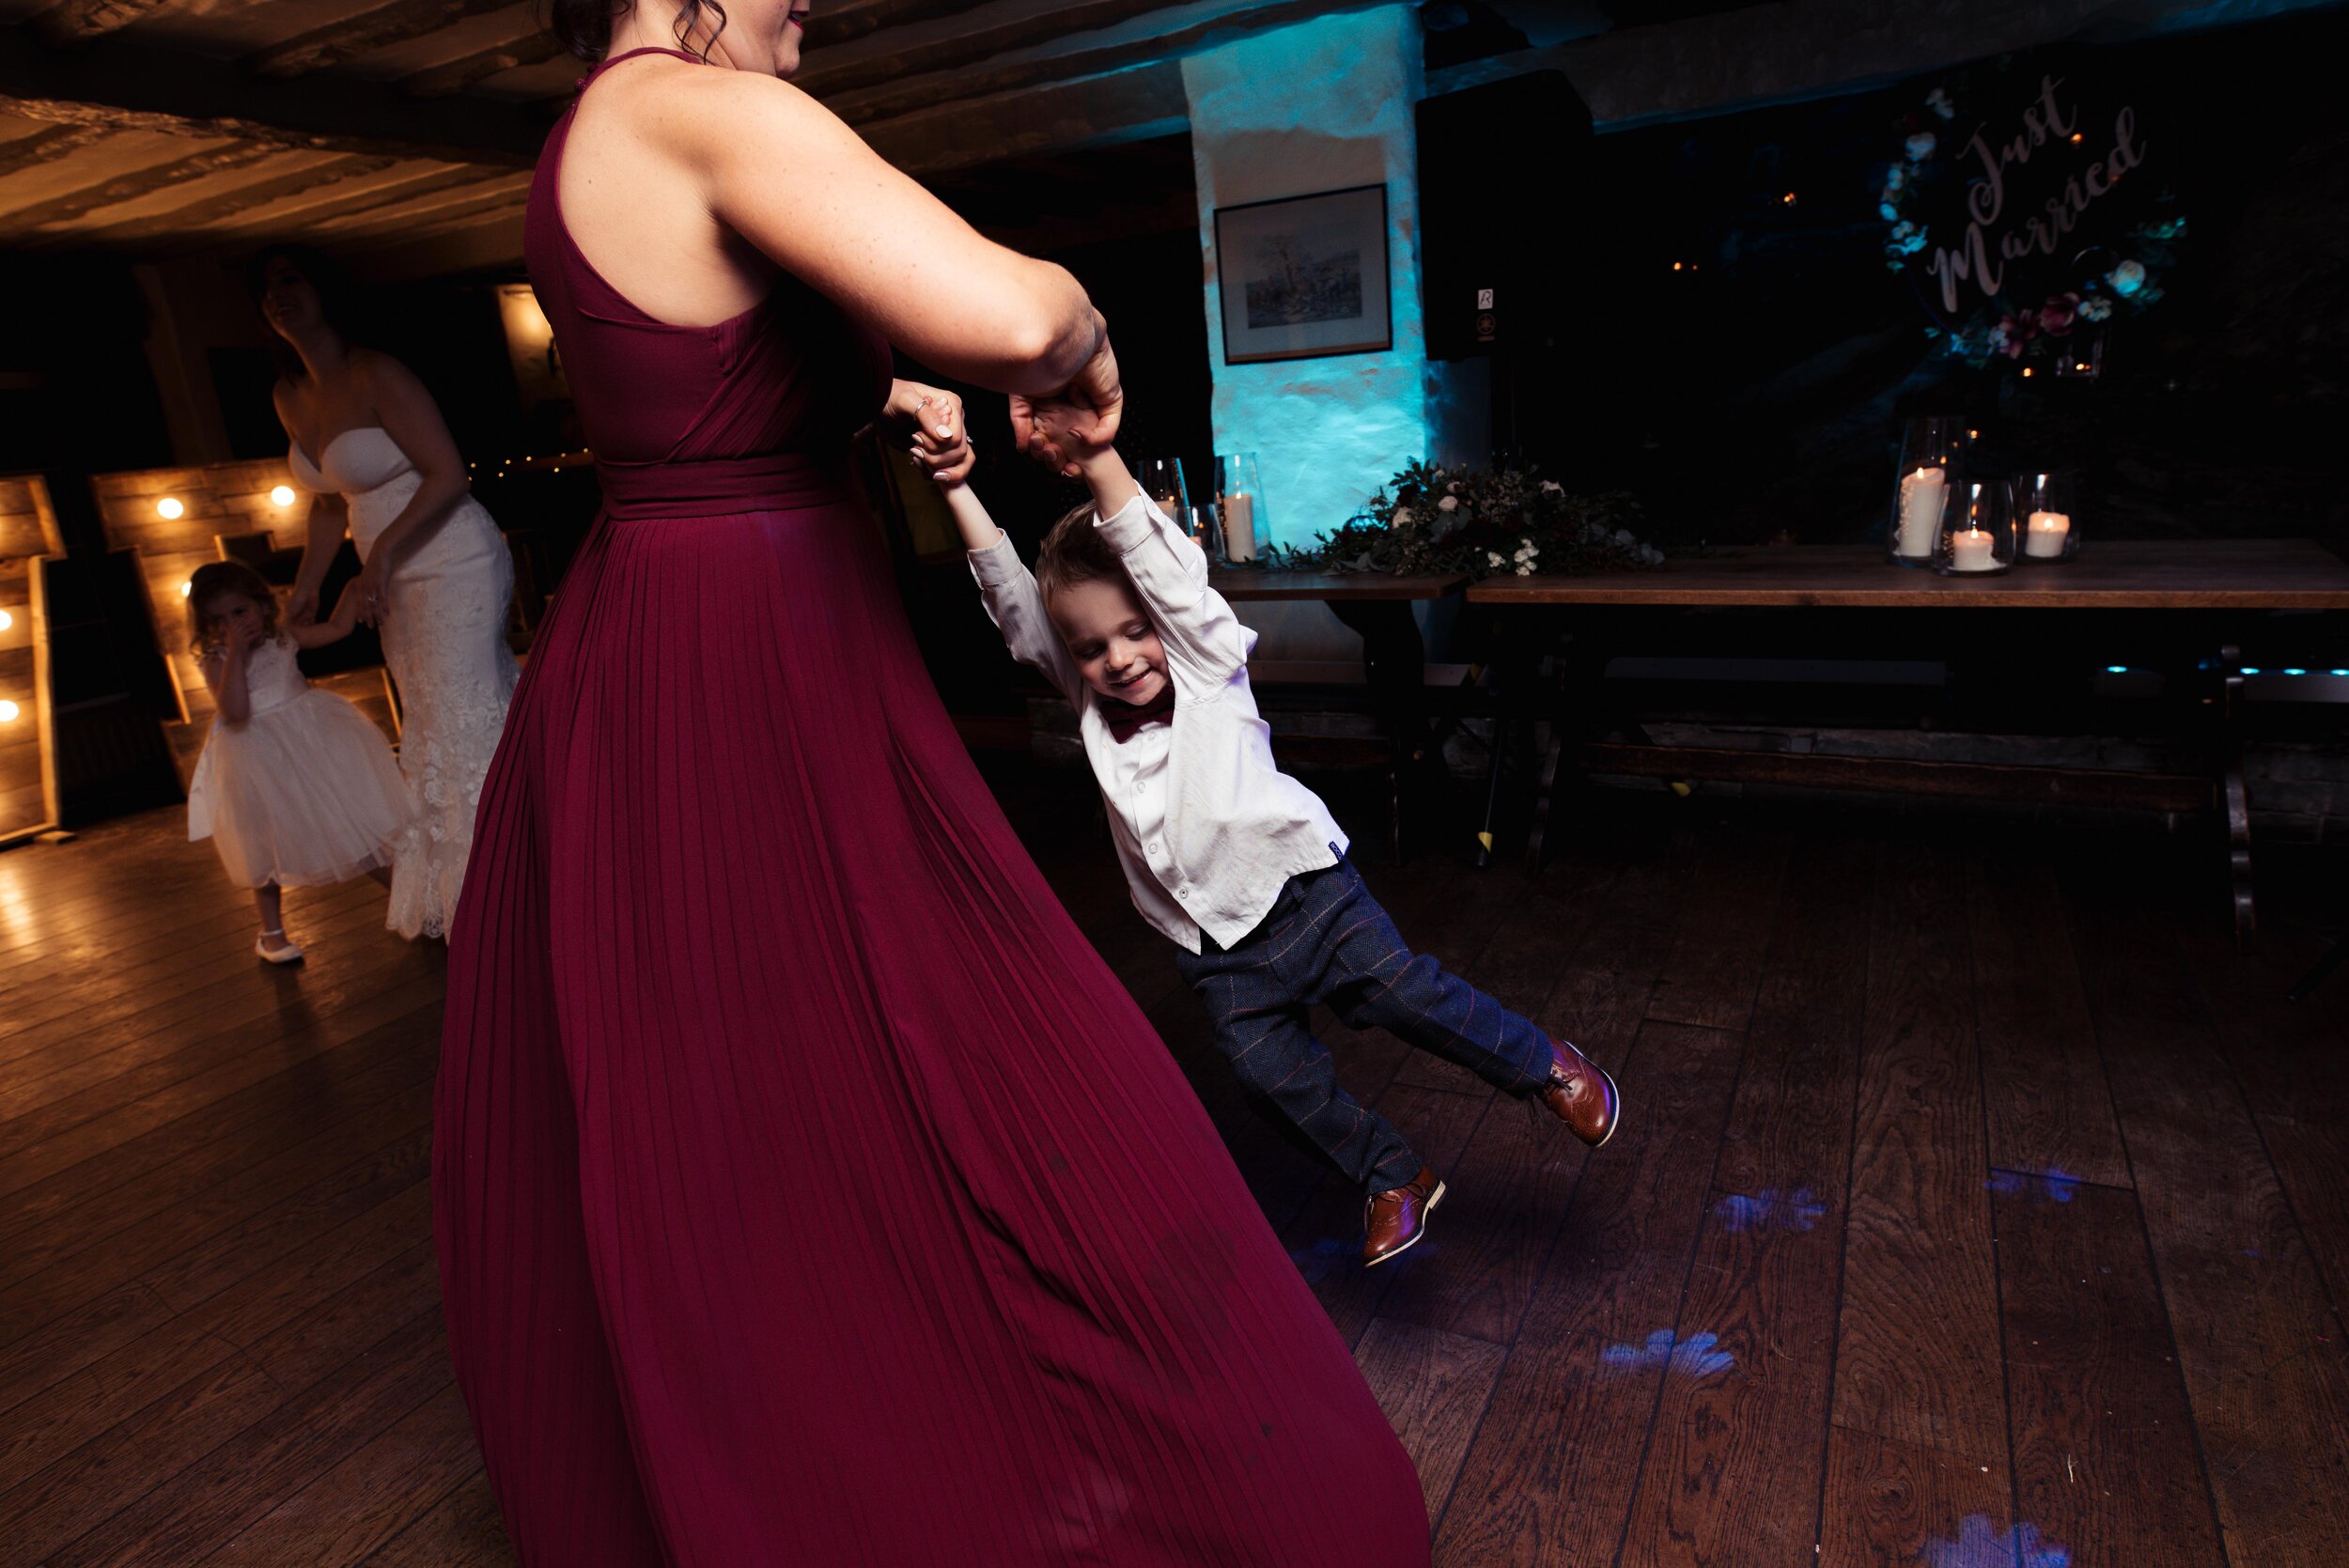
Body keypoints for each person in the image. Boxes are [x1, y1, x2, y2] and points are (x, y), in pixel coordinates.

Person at [432, 2, 1432, 1563]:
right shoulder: (689, 107)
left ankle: (855, 1429)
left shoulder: (596, 133)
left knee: (769, 1088)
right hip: (744, 662)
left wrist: (862, 392)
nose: (807, 6)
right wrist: (1086, 337)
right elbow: (1019, 317)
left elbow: (690, 377)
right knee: (943, 1040)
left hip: (681, 640)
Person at [941, 403, 1623, 1265]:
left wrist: (1101, 457)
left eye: (1134, 629)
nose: (1117, 658)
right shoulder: (1088, 701)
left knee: (1409, 997)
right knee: (1269, 1077)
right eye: (1091, 646)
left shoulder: (1202, 659)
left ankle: (1547, 1064)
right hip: (1214, 947)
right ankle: (1392, 1174)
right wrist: (957, 485)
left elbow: (1167, 573)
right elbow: (1013, 603)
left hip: (1307, 896)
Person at [258, 245, 521, 941]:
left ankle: (520, 873)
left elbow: (448, 474)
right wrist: (308, 586)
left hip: (451, 558)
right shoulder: (290, 394)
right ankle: (470, 888)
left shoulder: (377, 372)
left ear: (324, 289)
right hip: (389, 573)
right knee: (429, 719)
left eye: (291, 279)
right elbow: (323, 505)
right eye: (266, 288)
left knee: (464, 708)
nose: (276, 295)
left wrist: (377, 563)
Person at [184, 562, 407, 963]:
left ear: (262, 606)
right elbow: (235, 711)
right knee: (262, 843)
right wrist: (236, 652)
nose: (232, 625)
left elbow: (338, 629)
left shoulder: (283, 639)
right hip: (256, 756)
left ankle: (407, 902)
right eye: (218, 620)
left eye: (240, 613)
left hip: (310, 740)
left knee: (350, 821)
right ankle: (271, 935)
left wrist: (356, 585)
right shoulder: (217, 658)